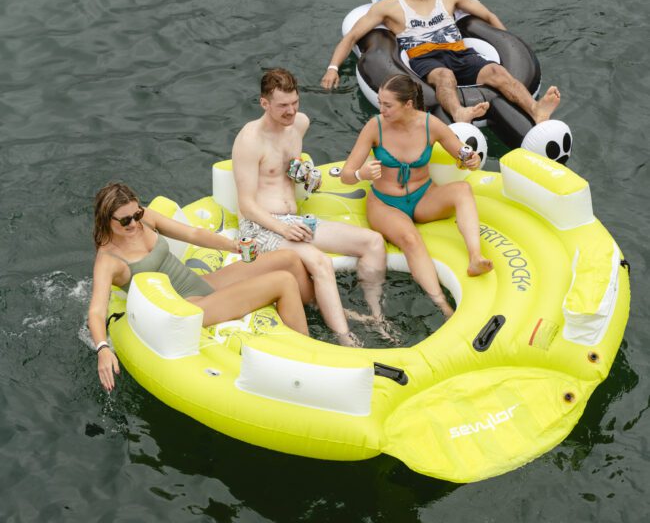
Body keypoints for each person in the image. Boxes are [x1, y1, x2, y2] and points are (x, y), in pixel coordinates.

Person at [88, 182, 312, 391]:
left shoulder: (145, 219)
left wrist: (233, 246)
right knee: (283, 281)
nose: (134, 223)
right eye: (126, 220)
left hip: (200, 284)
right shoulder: (108, 260)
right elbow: (97, 310)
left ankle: (315, 309)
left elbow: (193, 234)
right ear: (107, 220)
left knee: (288, 259)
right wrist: (102, 348)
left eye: (136, 214)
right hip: (192, 306)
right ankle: (310, 357)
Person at [321, 0, 561, 124]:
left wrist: (508, 43)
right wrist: (333, 69)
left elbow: (488, 16)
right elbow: (351, 37)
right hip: (425, 59)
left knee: (497, 71)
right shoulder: (390, 7)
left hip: (460, 53)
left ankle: (536, 109)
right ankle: (459, 114)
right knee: (445, 77)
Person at [232, 68, 387, 346]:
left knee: (373, 242)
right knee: (320, 262)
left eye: (294, 103)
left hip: (293, 219)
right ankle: (346, 340)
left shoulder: (300, 123)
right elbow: (246, 203)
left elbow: (294, 172)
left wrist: (305, 175)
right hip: (261, 226)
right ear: (264, 103)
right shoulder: (249, 140)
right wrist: (282, 228)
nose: (290, 112)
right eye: (282, 106)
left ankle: (377, 314)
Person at [340, 74, 493, 318]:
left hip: (423, 197)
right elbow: (346, 175)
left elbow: (462, 153)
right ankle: (442, 305)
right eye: (380, 102)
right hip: (386, 203)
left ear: (408, 104)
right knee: (411, 239)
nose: (381, 109)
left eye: (387, 105)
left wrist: (471, 159)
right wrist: (361, 173)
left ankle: (475, 256)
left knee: (463, 190)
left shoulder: (430, 125)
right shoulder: (375, 126)